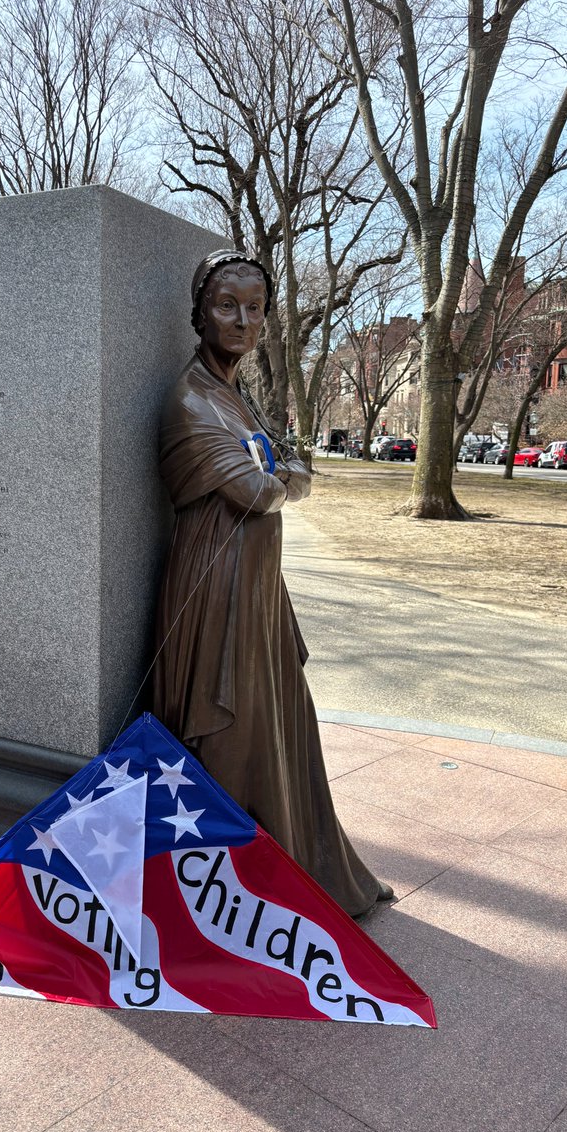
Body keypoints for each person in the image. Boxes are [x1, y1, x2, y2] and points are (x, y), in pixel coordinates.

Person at [152, 249, 392, 918]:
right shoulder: (191, 400)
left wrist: (282, 473)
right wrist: (283, 474)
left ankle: (295, 867)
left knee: (282, 721)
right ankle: (227, 896)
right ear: (199, 313)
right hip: (216, 585)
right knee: (231, 727)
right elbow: (261, 490)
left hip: (258, 585)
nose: (242, 321)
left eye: (254, 309)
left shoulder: (239, 396)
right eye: (227, 306)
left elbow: (292, 473)